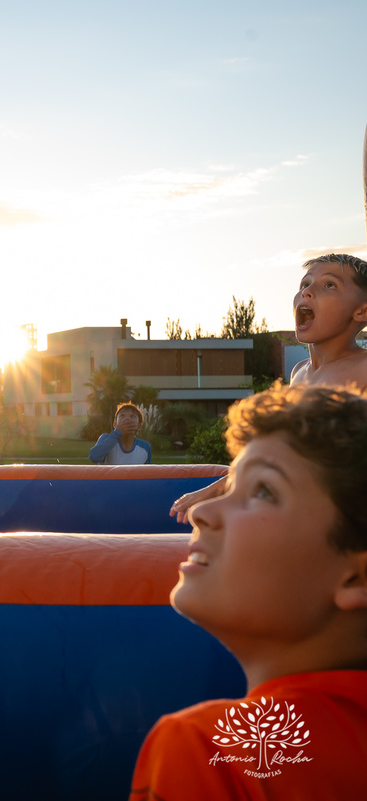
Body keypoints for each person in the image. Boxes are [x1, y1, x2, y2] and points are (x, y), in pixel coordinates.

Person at [129, 385, 367, 799]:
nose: (201, 512)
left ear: (357, 579)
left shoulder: (208, 750)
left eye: (262, 491)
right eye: (230, 485)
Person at [169, 253, 367, 523]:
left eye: (329, 285)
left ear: (362, 311)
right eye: (304, 284)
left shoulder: (362, 370)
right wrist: (222, 489)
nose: (307, 292)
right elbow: (281, 451)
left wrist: (220, 490)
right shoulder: (299, 374)